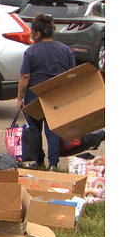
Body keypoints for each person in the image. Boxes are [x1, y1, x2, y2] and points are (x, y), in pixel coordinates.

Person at [16, 13, 76, 171]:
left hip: (34, 95)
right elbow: (71, 74)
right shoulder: (65, 50)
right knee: (53, 130)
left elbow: (25, 77)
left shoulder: (31, 52)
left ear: (37, 33)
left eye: (31, 32)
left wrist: (19, 98)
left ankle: (38, 160)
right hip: (56, 94)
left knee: (35, 129)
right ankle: (53, 164)